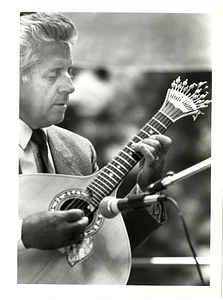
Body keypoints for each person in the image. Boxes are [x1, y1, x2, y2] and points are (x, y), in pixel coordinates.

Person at [19, 12, 172, 275]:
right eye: (53, 75)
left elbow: (101, 253)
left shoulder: (79, 149)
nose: (70, 86)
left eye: (69, 71)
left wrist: (144, 192)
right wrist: (24, 234)